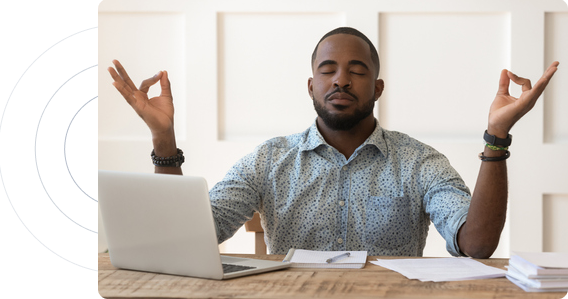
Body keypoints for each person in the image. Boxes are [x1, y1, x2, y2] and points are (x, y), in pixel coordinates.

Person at [108, 27, 559, 258]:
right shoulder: (269, 159)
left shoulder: (420, 162)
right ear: (310, 86)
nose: (341, 79)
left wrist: (496, 137)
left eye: (358, 70)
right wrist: (163, 139)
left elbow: (476, 245)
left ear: (378, 88)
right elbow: (188, 238)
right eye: (328, 70)